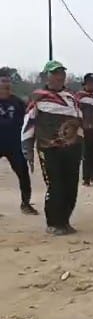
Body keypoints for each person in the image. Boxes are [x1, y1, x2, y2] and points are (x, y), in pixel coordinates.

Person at [22, 61, 83, 235]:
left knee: (71, 186)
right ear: (47, 76)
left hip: (72, 148)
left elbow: (79, 121)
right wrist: (27, 149)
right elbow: (28, 123)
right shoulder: (38, 97)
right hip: (49, 149)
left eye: (61, 73)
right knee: (56, 186)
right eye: (55, 73)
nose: (59, 77)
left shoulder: (71, 97)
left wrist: (81, 144)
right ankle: (54, 223)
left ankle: (65, 221)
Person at [0, 69, 36, 215]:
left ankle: (25, 204)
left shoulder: (17, 102)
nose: (6, 87)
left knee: (23, 174)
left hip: (14, 145)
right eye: (3, 84)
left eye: (8, 84)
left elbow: (28, 118)